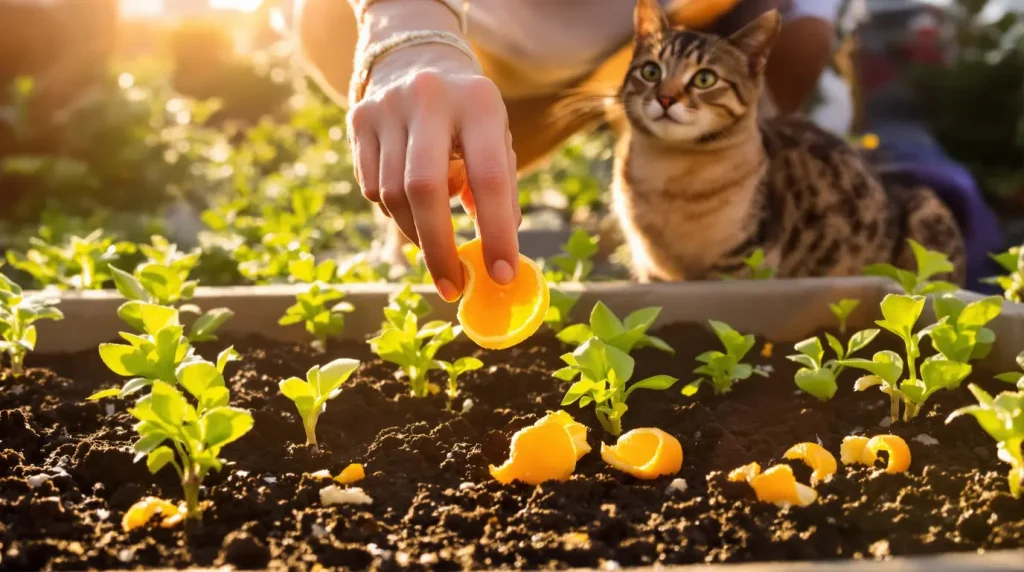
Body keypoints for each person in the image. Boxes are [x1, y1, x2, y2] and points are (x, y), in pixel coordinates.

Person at [295, 0, 843, 301]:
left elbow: (796, 28)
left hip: (631, 49)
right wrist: (408, 40)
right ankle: (403, 250)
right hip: (463, 27)